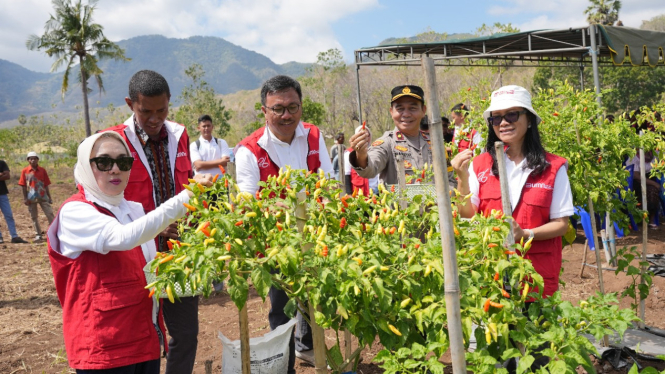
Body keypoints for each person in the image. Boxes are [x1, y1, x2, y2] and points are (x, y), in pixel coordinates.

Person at [47, 131, 211, 373]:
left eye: (123, 163)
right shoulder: (75, 212)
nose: (115, 170)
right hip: (105, 347)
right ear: (85, 166)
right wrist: (186, 196)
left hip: (143, 339)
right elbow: (123, 238)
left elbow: (146, 265)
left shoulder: (132, 209)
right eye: (103, 162)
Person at [235, 75, 333, 372]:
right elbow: (248, 204)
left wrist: (324, 217)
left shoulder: (313, 135)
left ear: (301, 106)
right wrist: (289, 210)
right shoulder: (249, 149)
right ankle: (284, 365)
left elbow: (326, 183)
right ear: (264, 110)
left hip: (314, 233)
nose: (286, 115)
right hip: (276, 242)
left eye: (293, 107)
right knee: (282, 305)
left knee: (314, 296)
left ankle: (307, 347)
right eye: (277, 109)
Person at [103, 70, 197, 374]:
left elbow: (188, 184)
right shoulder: (114, 143)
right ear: (131, 104)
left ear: (169, 102)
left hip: (178, 253)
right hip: (135, 258)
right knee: (142, 335)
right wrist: (154, 224)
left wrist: (193, 216)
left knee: (185, 333)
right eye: (146, 111)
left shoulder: (180, 135)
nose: (155, 118)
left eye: (162, 110)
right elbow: (105, 201)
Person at [451, 85, 574, 299]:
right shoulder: (480, 164)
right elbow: (466, 215)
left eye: (511, 114)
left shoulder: (553, 167)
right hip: (491, 272)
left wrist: (525, 234)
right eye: (496, 118)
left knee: (535, 328)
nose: (504, 123)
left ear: (529, 120)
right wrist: (462, 178)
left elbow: (561, 225)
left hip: (535, 274)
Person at [348, 85, 434, 185]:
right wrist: (361, 154)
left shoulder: (435, 143)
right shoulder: (386, 143)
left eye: (413, 108)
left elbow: (450, 179)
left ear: (423, 110)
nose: (406, 114)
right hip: (399, 201)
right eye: (400, 108)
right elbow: (370, 170)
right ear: (391, 112)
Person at [19, 151, 55, 241]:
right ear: (28, 160)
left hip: (43, 196)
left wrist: (49, 197)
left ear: (37, 159)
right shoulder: (25, 171)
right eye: (31, 159)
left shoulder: (42, 170)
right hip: (31, 197)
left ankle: (54, 233)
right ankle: (38, 234)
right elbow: (23, 185)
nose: (33, 160)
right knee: (34, 216)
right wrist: (25, 198)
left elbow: (46, 184)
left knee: (50, 214)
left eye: (35, 158)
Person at [344, 125, 379, 196]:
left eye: (367, 135)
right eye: (362, 135)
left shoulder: (376, 151)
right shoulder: (349, 153)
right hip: (358, 193)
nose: (365, 137)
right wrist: (349, 193)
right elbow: (347, 174)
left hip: (375, 192)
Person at [0, 159, 28, 244]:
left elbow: (7, 176)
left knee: (9, 215)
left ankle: (14, 236)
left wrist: (3, 174)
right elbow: (4, 175)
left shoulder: (1, 163)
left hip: (2, 194)